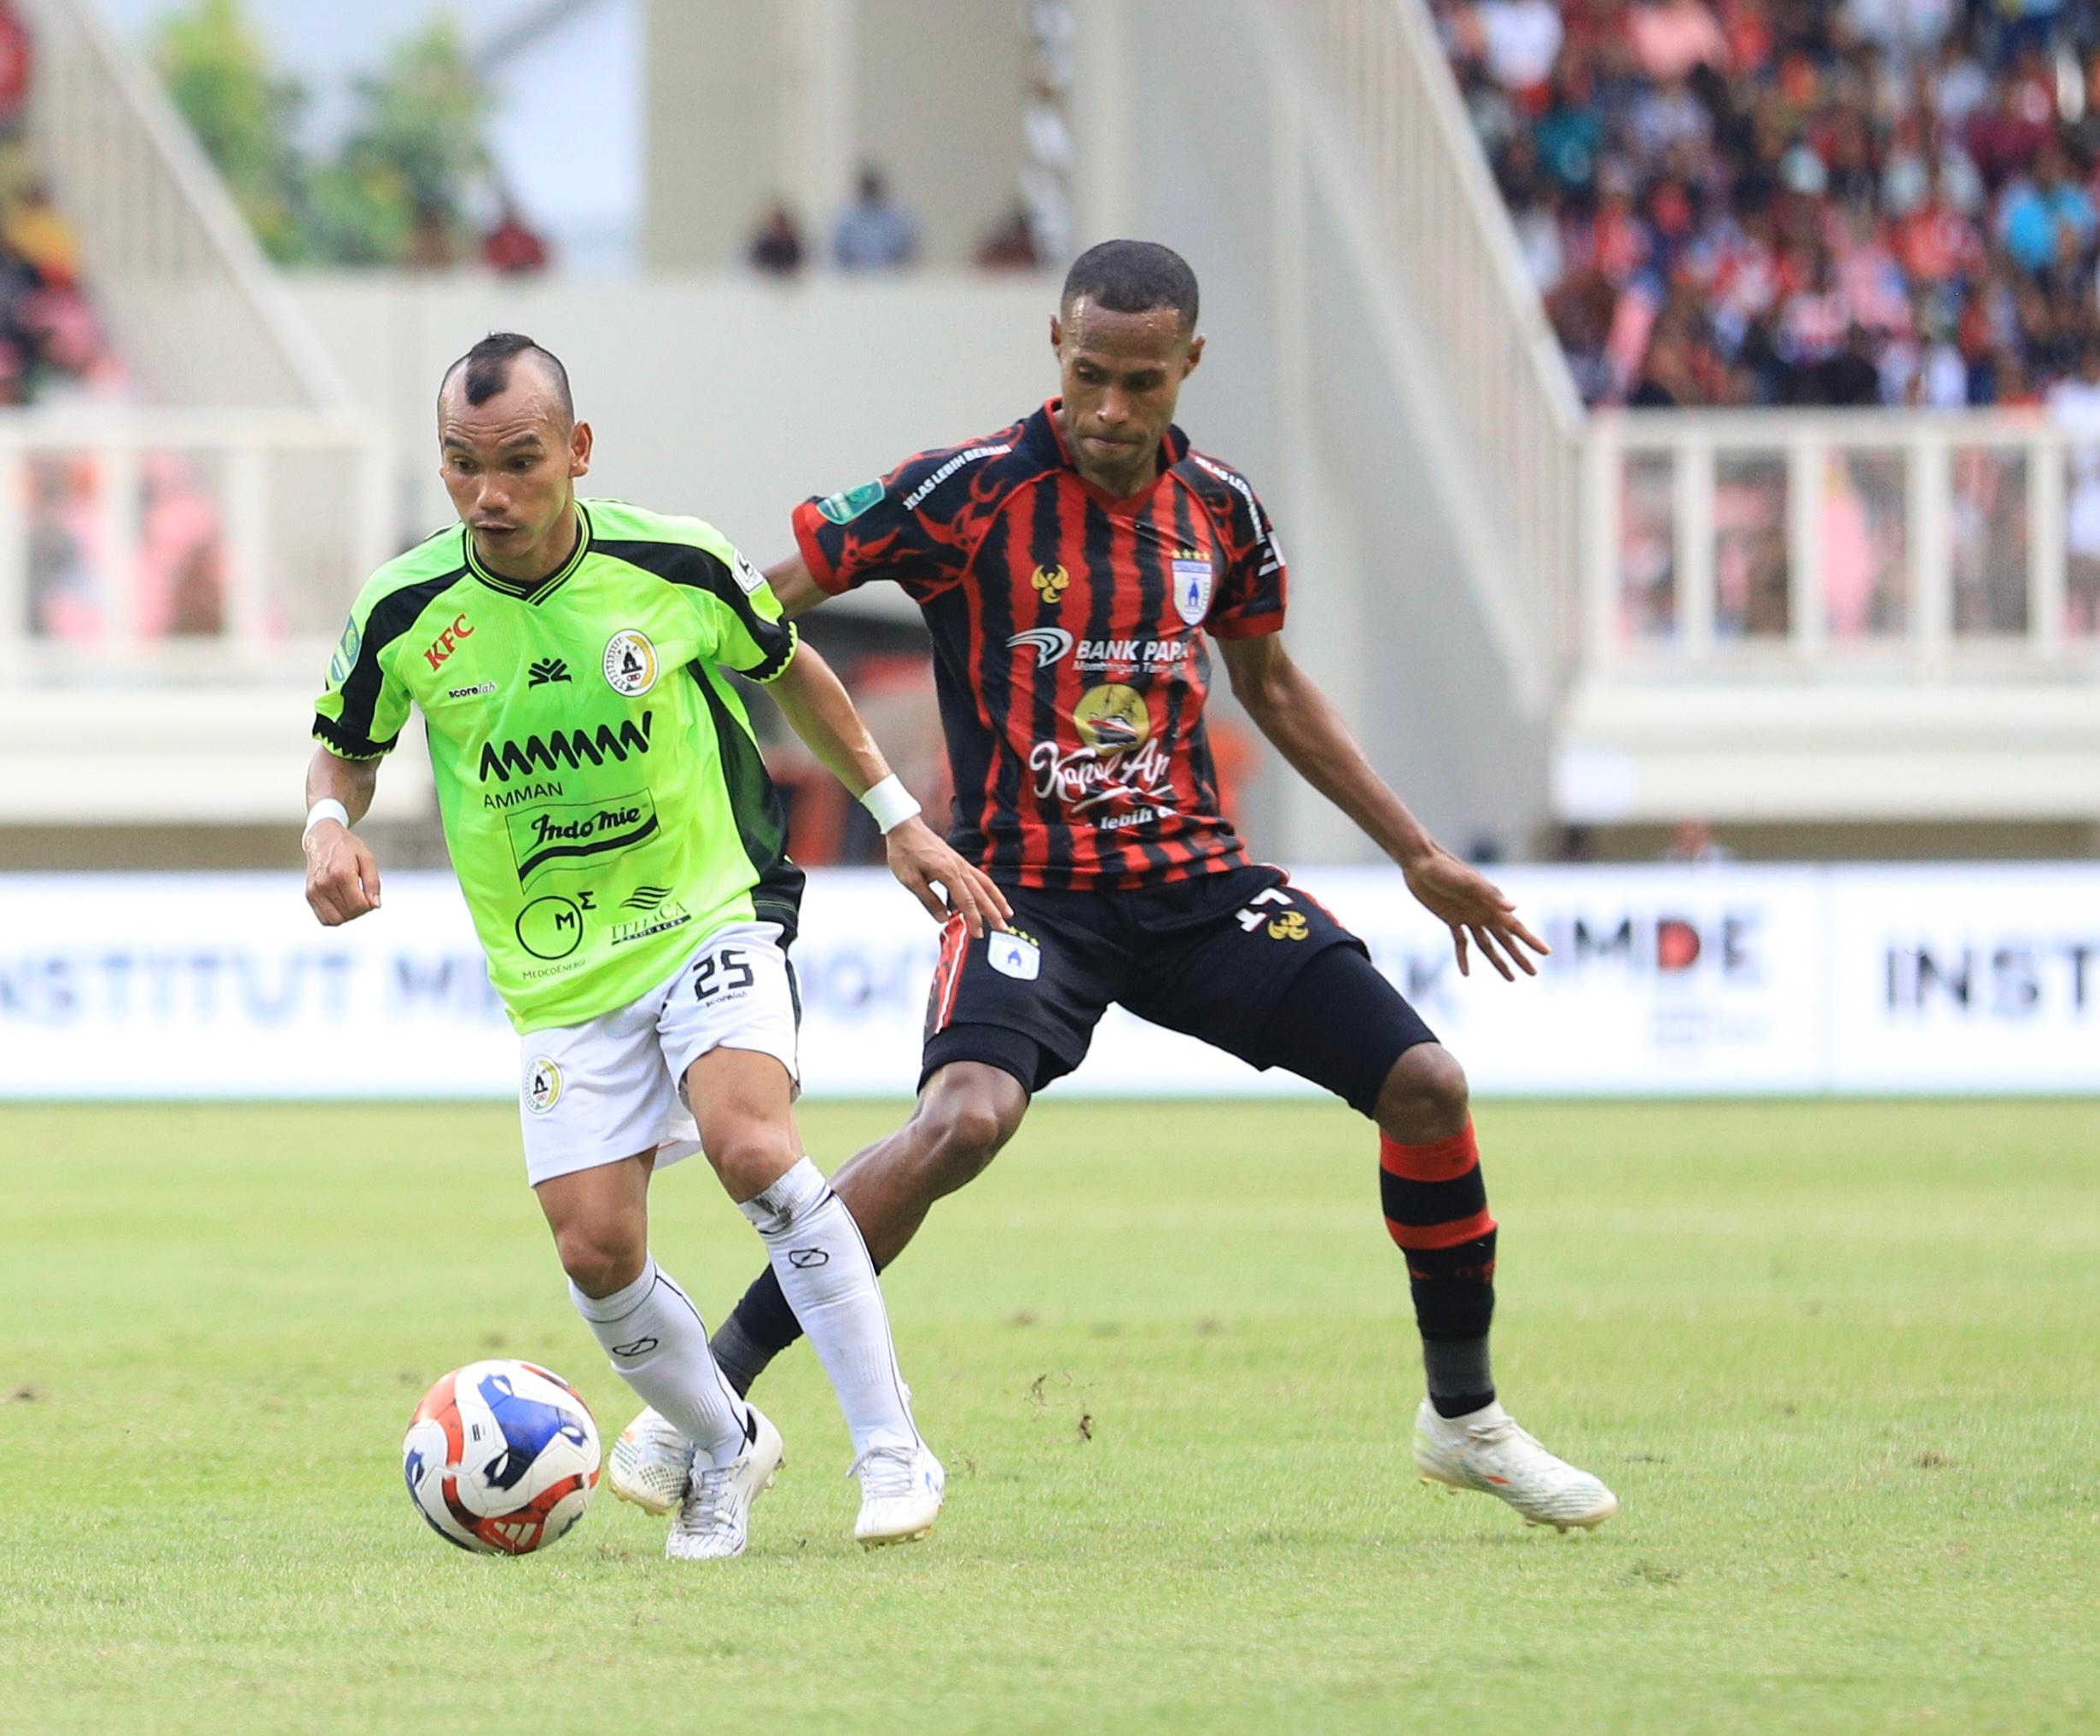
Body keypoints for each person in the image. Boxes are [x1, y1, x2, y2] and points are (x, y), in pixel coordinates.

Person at [603, 242, 1620, 1533]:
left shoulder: (1225, 511)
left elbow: (1275, 686)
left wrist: (1415, 849)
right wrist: (662, 698)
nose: (1110, 409)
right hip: (1028, 893)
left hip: (1198, 888)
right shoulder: (965, 493)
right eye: (1089, 374)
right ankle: (706, 1398)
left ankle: (1464, 1418)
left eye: (1142, 382)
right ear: (1056, 346)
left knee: (1427, 1084)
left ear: (1188, 365)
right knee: (961, 1121)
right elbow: (759, 602)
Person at [301, 333, 1010, 1559]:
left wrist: (899, 819)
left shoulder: (673, 562)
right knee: (595, 1248)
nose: (491, 494)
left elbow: (797, 676)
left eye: (520, 461)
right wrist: (324, 824)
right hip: (558, 976)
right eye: (463, 467)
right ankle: (725, 1443)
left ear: (576, 450)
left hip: (712, 907)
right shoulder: (405, 609)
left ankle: (891, 1444)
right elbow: (347, 748)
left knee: (752, 1145)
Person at [831, 166, 916, 271]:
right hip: (855, 279)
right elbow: (840, 254)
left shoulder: (895, 218)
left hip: (892, 277)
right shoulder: (848, 220)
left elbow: (906, 252)